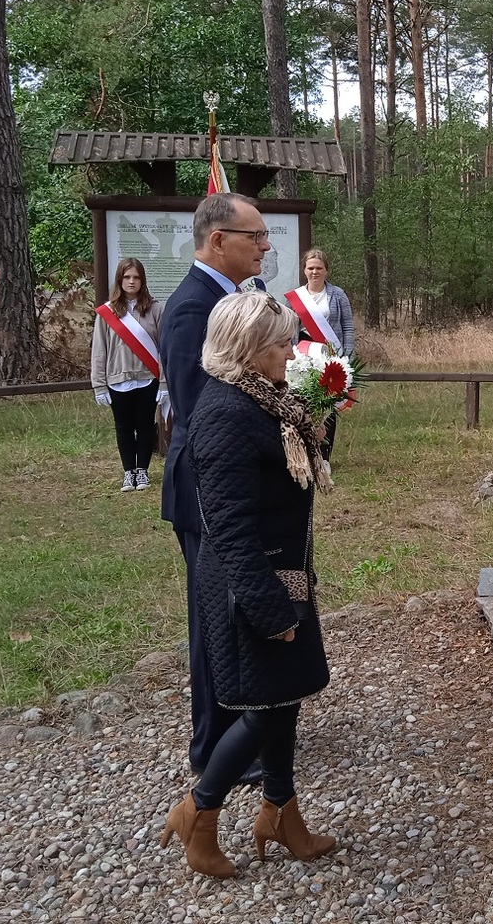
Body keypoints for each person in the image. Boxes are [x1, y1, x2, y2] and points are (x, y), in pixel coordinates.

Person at [159, 292, 336, 878]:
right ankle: (198, 812)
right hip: (251, 584)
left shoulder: (263, 401)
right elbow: (230, 529)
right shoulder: (223, 416)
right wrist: (270, 610)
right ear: (249, 350)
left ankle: (281, 814)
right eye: (283, 343)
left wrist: (325, 404)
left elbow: (299, 464)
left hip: (282, 575)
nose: (293, 351)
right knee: (261, 709)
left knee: (282, 700)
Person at [159, 192, 273, 780]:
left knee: (237, 613)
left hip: (231, 487)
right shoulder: (190, 310)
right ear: (218, 240)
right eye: (254, 235)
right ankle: (214, 751)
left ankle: (245, 728)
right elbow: (200, 409)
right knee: (214, 621)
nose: (265, 245)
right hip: (208, 492)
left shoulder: (230, 298)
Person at [91, 258, 166, 492]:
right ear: (120, 280)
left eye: (136, 277)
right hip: (117, 379)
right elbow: (99, 350)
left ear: (142, 280)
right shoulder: (107, 313)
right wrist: (99, 385)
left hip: (147, 378)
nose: (131, 281)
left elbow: (164, 349)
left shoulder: (155, 309)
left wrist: (164, 382)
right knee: (123, 426)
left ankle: (142, 470)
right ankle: (128, 472)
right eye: (127, 277)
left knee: (145, 425)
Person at [283, 246, 355, 457]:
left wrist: (348, 357)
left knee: (327, 404)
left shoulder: (337, 295)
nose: (315, 272)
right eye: (311, 267)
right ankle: (305, 451)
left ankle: (325, 454)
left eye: (319, 268)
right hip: (303, 355)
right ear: (304, 270)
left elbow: (348, 327)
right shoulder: (295, 298)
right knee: (303, 402)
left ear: (326, 270)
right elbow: (288, 328)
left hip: (330, 353)